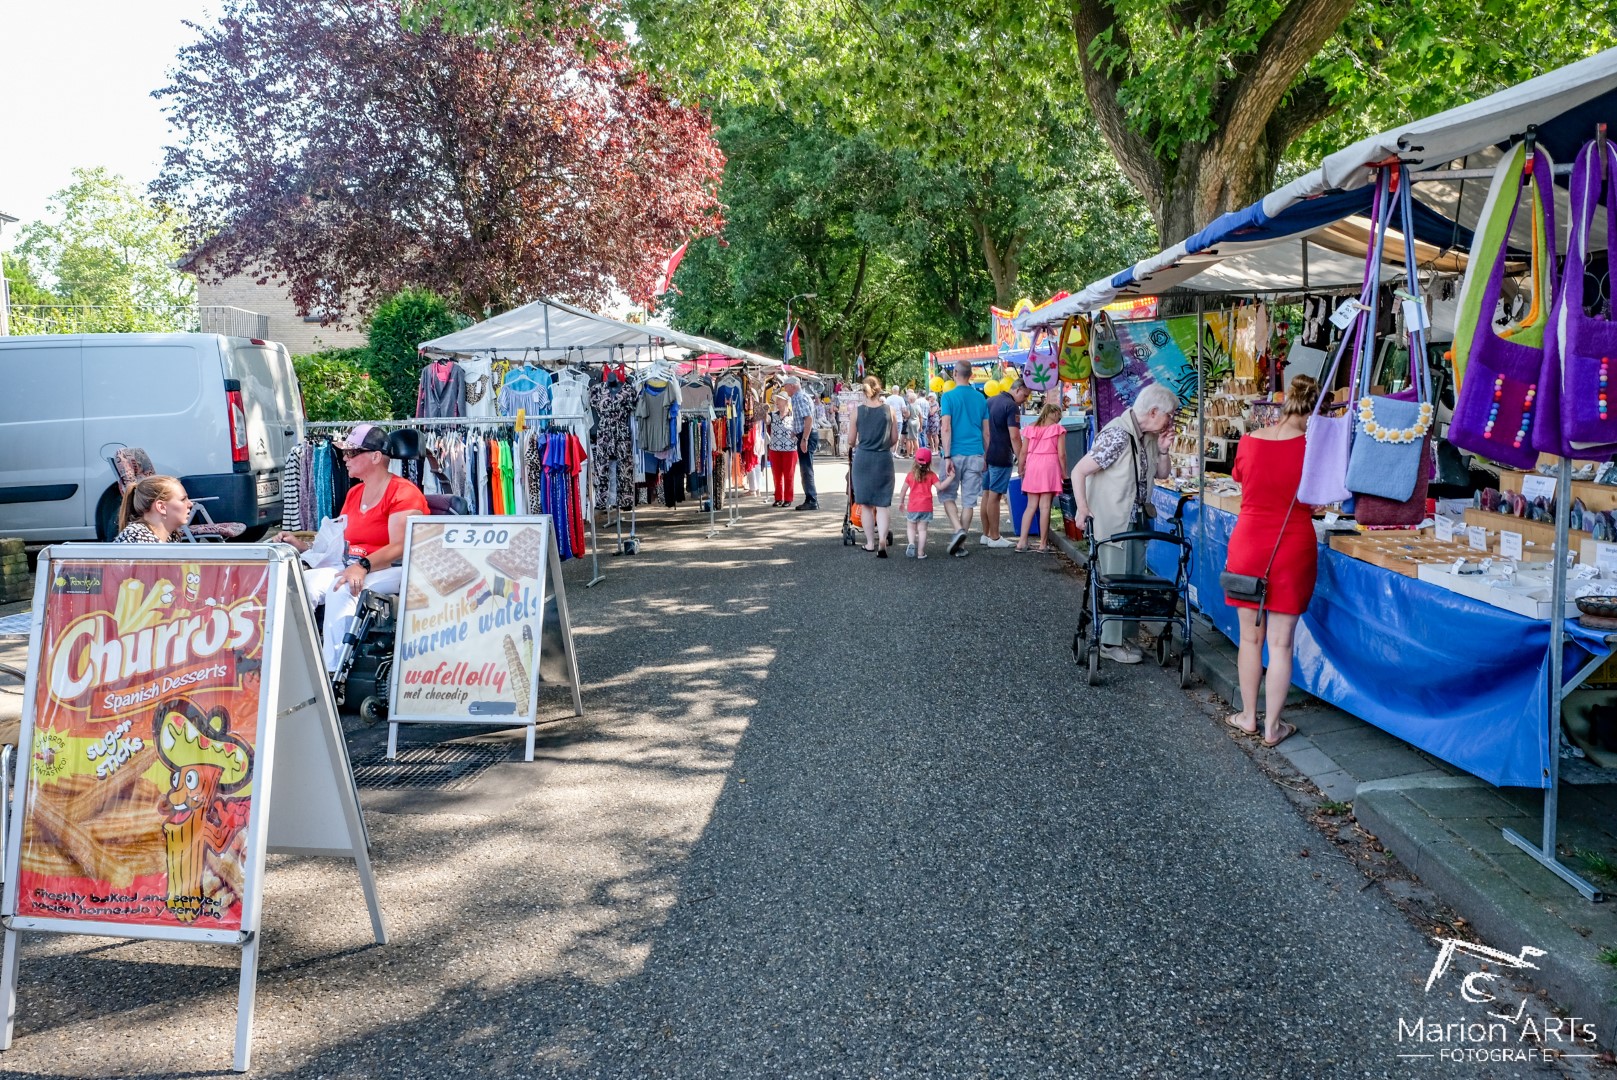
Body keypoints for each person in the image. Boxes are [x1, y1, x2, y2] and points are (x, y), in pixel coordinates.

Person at [274, 424, 429, 672]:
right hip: (353, 564)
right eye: (344, 453)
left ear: (375, 457)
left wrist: (363, 566)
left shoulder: (404, 493)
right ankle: (292, 664)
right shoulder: (355, 493)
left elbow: (401, 547)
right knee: (301, 584)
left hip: (395, 568)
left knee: (342, 589)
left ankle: (333, 673)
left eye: (351, 452)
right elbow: (340, 541)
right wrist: (302, 546)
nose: (344, 458)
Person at [1223, 375, 1320, 748]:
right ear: (1313, 412)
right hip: (1293, 546)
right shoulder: (1313, 447)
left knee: (1250, 638)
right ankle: (1273, 727)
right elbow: (1319, 500)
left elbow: (1241, 480)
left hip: (1248, 544)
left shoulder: (1249, 441)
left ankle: (1248, 716)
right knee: (1280, 644)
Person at [1070, 384, 1180, 663]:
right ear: (1153, 412)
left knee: (1132, 580)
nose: (1171, 420)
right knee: (1115, 582)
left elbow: (1162, 474)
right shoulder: (1118, 434)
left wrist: (1164, 450)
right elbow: (1079, 470)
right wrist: (1082, 508)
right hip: (1113, 520)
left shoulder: (1149, 436)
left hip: (1137, 518)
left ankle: (1124, 637)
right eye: (1169, 414)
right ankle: (1109, 643)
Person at [937, 361, 990, 556]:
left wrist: (947, 455)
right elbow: (986, 432)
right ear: (971, 375)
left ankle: (958, 529)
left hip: (954, 453)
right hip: (975, 453)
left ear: (955, 373)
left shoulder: (948, 396)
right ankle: (961, 545)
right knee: (968, 501)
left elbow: (946, 427)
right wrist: (985, 455)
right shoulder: (981, 398)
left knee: (946, 495)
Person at [981, 378, 1030, 547]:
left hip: (987, 453)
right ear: (1018, 389)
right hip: (1002, 454)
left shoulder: (990, 401)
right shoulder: (1011, 406)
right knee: (995, 496)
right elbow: (1015, 436)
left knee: (987, 494)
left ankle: (986, 534)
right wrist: (1022, 459)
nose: (1025, 400)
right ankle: (995, 537)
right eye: (1025, 395)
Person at [852, 375, 898, 556]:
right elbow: (894, 438)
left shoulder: (857, 411)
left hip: (863, 458)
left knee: (866, 505)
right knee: (883, 504)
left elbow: (851, 440)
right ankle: (883, 541)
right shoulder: (889, 410)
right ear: (879, 390)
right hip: (883, 459)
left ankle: (870, 543)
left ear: (864, 391)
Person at [1014, 400, 1067, 552]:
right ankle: (1043, 544)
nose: (1059, 418)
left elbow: (1023, 452)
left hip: (1032, 465)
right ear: (1054, 413)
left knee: (1031, 506)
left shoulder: (1030, 428)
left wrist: (1021, 467)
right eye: (1059, 415)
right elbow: (1062, 454)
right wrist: (1064, 473)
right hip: (1049, 465)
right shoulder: (1057, 429)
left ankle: (1022, 542)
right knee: (1045, 507)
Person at [899, 447, 949, 559]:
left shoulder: (910, 475)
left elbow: (903, 490)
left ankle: (911, 543)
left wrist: (901, 502)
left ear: (915, 460)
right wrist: (951, 478)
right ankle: (921, 552)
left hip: (913, 507)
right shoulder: (931, 475)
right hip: (926, 508)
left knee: (911, 527)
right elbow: (941, 487)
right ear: (929, 462)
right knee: (922, 530)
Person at [113, 475, 193, 543]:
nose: (190, 504)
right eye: (183, 499)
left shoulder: (171, 536)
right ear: (161, 507)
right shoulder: (137, 538)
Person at [786, 377, 820, 510]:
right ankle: (810, 498)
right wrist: (796, 431)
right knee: (806, 468)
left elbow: (808, 419)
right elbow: (804, 419)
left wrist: (804, 439)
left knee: (806, 469)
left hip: (807, 436)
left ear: (792, 386)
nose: (785, 389)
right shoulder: (801, 397)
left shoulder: (799, 398)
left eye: (786, 386)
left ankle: (811, 500)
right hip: (806, 434)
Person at [765, 393, 798, 507]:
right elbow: (766, 420)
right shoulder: (773, 415)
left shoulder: (794, 416)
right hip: (775, 449)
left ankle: (788, 498)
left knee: (789, 475)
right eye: (777, 400)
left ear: (786, 402)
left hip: (790, 449)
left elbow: (799, 428)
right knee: (776, 475)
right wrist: (764, 411)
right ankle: (778, 497)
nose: (777, 402)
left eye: (780, 400)